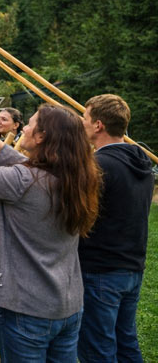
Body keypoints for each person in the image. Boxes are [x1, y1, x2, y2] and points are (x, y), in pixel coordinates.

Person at [0, 98, 101, 362]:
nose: (23, 129)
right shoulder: (75, 178)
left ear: (42, 136)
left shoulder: (25, 181)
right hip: (67, 306)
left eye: (30, 124)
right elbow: (23, 165)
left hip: (26, 308)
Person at [78, 94, 153, 362]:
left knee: (98, 348)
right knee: (126, 342)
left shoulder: (99, 166)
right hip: (131, 267)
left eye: (85, 119)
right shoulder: (141, 162)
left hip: (100, 269)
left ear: (98, 125)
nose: (81, 124)